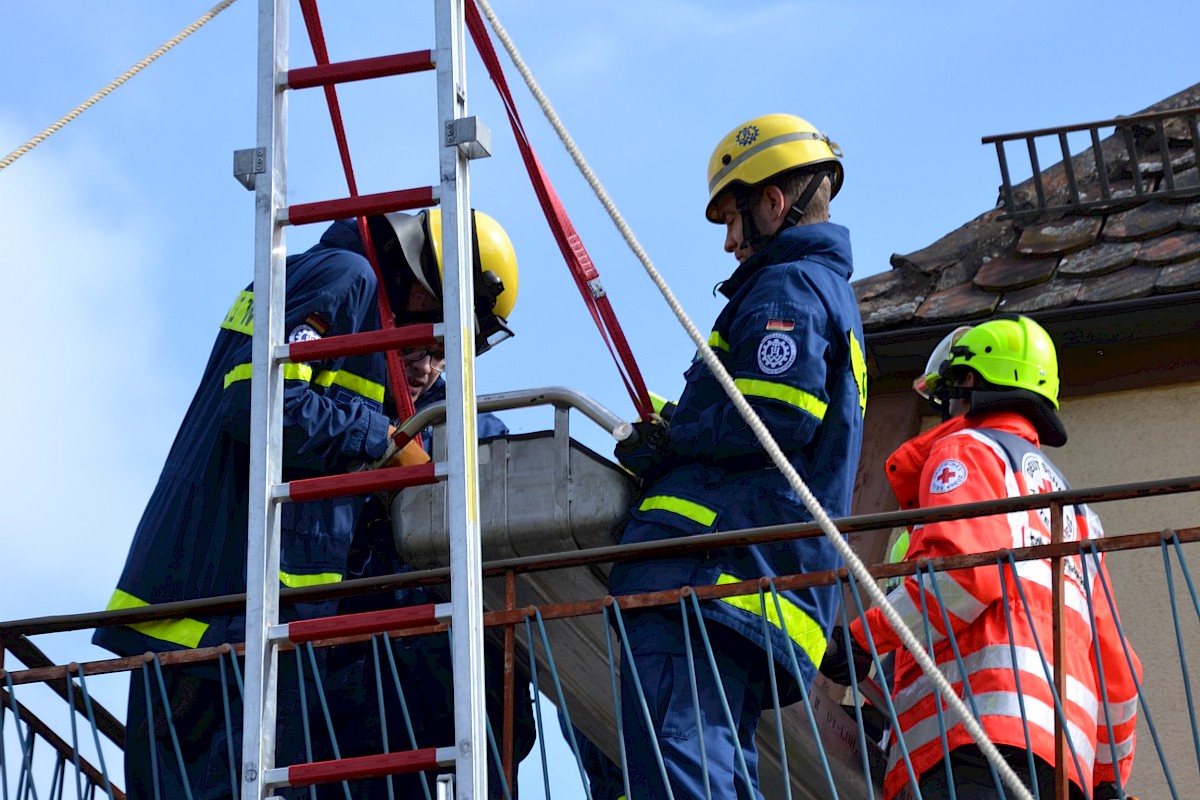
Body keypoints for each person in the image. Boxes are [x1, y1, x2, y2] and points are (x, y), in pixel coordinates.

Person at [93, 208, 518, 800]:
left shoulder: (391, 351)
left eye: (448, 350)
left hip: (259, 627)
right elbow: (258, 400)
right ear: (419, 277)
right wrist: (386, 443)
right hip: (217, 618)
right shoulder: (347, 278)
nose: (429, 365)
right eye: (431, 336)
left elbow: (459, 417)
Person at [606, 113, 868, 798]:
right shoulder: (823, 292)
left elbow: (774, 413)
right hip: (740, 580)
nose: (728, 243)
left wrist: (671, 440)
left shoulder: (787, 289)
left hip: (708, 572)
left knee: (682, 767)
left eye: (733, 218)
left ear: (773, 203)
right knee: (712, 770)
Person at [820, 316, 1141, 800]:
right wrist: (1107, 781)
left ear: (970, 382)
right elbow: (1116, 665)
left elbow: (963, 575)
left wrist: (862, 640)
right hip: (1062, 768)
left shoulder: (969, 449)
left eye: (950, 390)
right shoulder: (1076, 516)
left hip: (972, 743)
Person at [326, 344, 537, 799]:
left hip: (456, 670)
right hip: (364, 670)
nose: (425, 367)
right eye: (414, 350)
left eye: (439, 354)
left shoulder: (476, 429)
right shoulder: (345, 414)